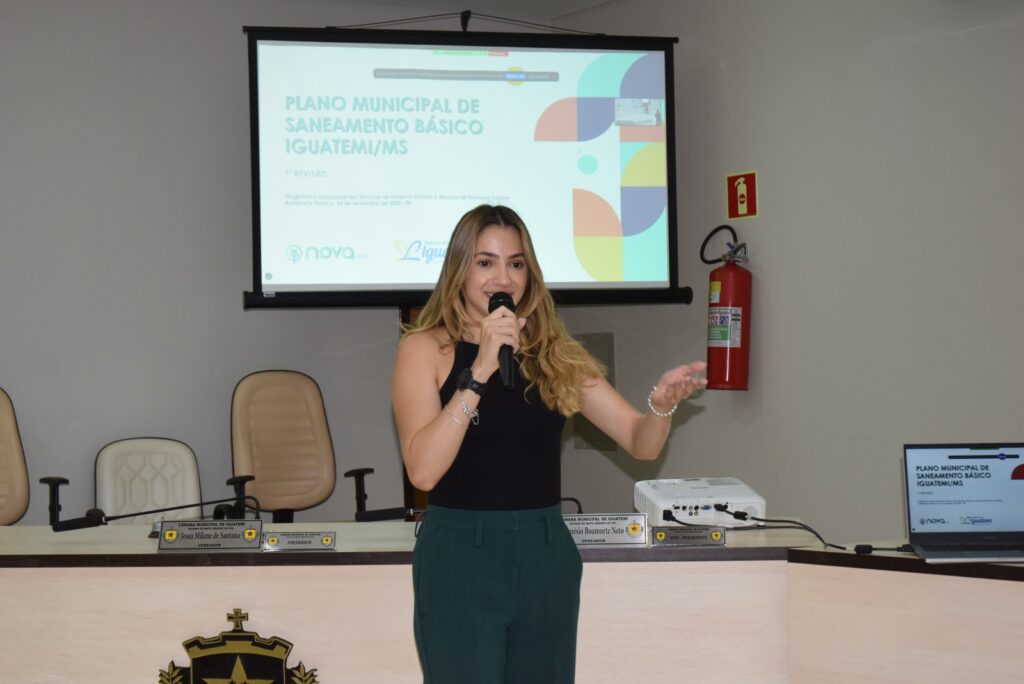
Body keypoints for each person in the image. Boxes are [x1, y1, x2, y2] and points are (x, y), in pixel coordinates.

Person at [391, 204, 706, 684]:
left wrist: (662, 406)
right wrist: (478, 372)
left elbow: (639, 442)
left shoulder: (556, 354)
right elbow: (423, 472)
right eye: (485, 262)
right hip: (459, 553)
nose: (504, 277)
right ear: (459, 270)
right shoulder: (424, 349)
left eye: (516, 263)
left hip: (544, 553)